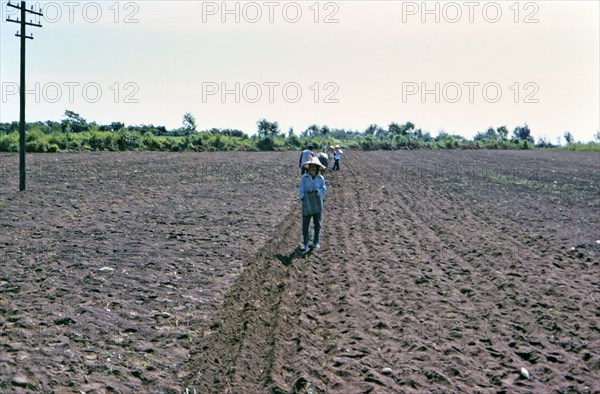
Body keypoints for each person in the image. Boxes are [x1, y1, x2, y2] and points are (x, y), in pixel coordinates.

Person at [298, 156, 327, 251]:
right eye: (310, 168)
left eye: (314, 168)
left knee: (317, 224)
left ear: (318, 169)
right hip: (307, 203)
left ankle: (315, 242)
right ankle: (305, 243)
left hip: (317, 203)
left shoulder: (320, 178)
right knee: (305, 224)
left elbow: (323, 189)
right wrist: (303, 198)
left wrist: (315, 191)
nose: (312, 170)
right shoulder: (304, 178)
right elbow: (301, 190)